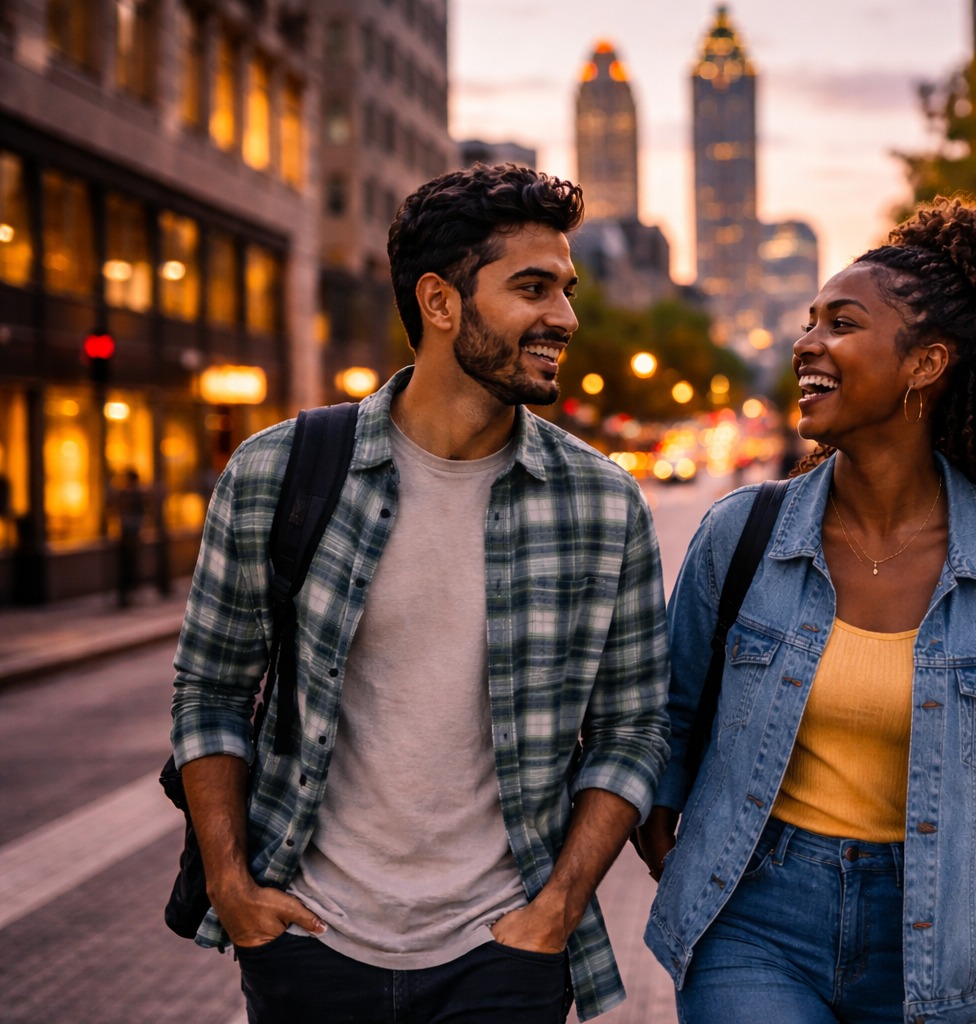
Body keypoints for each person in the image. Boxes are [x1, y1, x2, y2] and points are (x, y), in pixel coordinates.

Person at [170, 165, 670, 1024]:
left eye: (568, 289)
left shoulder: (602, 502)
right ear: (440, 303)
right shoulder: (274, 472)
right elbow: (209, 690)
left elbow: (632, 727)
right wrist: (234, 888)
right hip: (312, 943)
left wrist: (557, 906)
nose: (566, 317)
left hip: (504, 953)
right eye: (533, 287)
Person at [636, 197, 976, 1023]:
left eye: (842, 324)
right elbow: (673, 716)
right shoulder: (740, 533)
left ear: (925, 363)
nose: (808, 344)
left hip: (940, 928)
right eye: (811, 320)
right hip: (754, 917)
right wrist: (666, 840)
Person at [111, 468, 149, 607]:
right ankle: (126, 594)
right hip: (128, 534)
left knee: (130, 565)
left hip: (130, 534)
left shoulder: (131, 494)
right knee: (127, 565)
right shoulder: (127, 494)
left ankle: (128, 594)